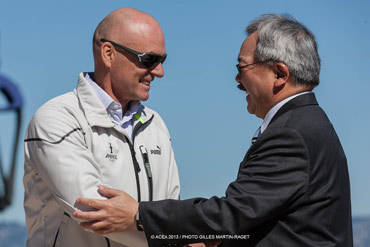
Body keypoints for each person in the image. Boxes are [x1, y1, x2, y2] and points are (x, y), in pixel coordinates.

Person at [73, 13, 353, 247]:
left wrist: (138, 215)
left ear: (279, 74)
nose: (237, 79)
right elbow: (262, 219)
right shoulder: (308, 124)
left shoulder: (291, 133)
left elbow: (233, 213)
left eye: (242, 67)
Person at [23, 8, 180, 247]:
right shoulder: (55, 118)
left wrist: (180, 231)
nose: (159, 71)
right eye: (149, 59)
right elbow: (96, 213)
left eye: (162, 60)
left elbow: (173, 209)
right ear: (108, 54)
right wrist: (180, 236)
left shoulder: (155, 124)